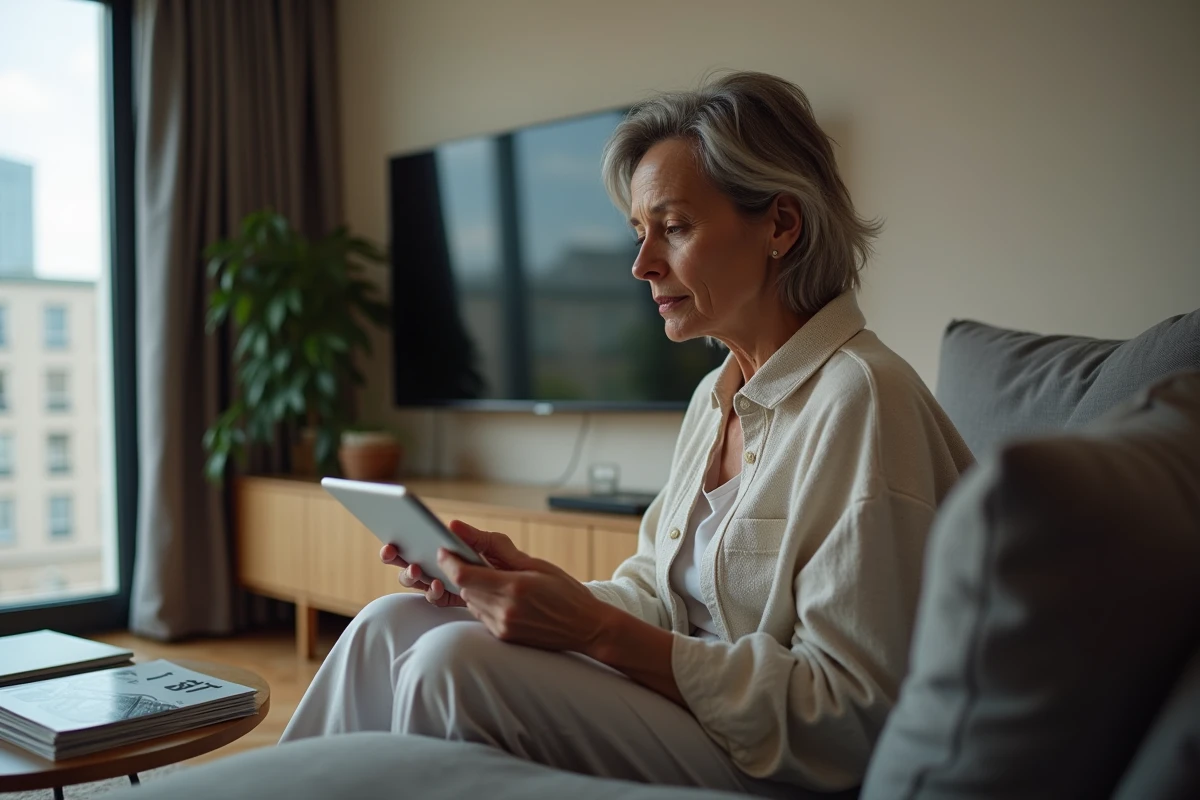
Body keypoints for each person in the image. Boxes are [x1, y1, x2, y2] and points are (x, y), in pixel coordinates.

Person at [280, 71, 974, 797]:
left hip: (768, 759)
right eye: (641, 233)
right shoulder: (717, 395)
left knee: (448, 666)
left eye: (674, 228)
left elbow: (848, 718)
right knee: (390, 624)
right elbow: (662, 594)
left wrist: (591, 630)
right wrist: (534, 587)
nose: (641, 266)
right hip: (687, 705)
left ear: (780, 225)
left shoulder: (860, 399)